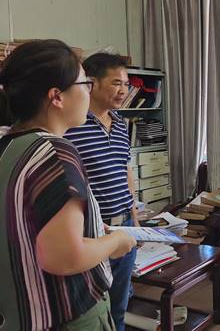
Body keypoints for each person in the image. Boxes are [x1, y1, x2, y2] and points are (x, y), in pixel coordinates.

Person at [0, 39, 136, 330]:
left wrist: (94, 228)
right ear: (57, 97)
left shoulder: (8, 145)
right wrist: (115, 242)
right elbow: (65, 257)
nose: (88, 92)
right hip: (67, 313)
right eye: (84, 84)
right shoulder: (56, 151)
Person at [64, 52, 139, 331]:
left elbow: (125, 171)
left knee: (119, 305)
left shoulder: (120, 124)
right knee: (92, 308)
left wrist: (135, 219)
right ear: (91, 83)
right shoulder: (72, 125)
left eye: (126, 84)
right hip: (91, 231)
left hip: (125, 225)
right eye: (116, 83)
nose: (123, 91)